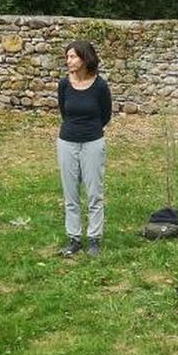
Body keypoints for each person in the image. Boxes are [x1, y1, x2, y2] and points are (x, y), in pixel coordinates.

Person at [55, 40, 113, 257]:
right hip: (67, 142)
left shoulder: (100, 86)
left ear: (85, 58)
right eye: (67, 57)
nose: (68, 60)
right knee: (70, 193)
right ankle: (74, 238)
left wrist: (90, 131)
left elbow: (105, 115)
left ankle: (95, 239)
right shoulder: (64, 84)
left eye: (73, 56)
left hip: (93, 143)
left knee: (94, 193)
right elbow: (64, 110)